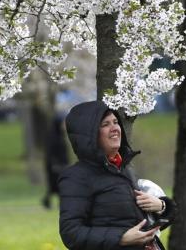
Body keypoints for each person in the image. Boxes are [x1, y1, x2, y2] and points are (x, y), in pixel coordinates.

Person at [58, 100, 175, 250]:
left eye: (115, 122)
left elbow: (142, 223)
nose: (114, 128)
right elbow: (71, 233)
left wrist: (162, 206)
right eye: (105, 125)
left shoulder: (123, 169)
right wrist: (121, 238)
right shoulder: (76, 177)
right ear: (89, 135)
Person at [42, 113, 70, 209]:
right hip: (55, 167)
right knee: (56, 186)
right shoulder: (53, 137)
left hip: (61, 165)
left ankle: (54, 202)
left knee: (59, 186)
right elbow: (50, 153)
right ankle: (48, 201)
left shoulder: (60, 136)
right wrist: (55, 164)